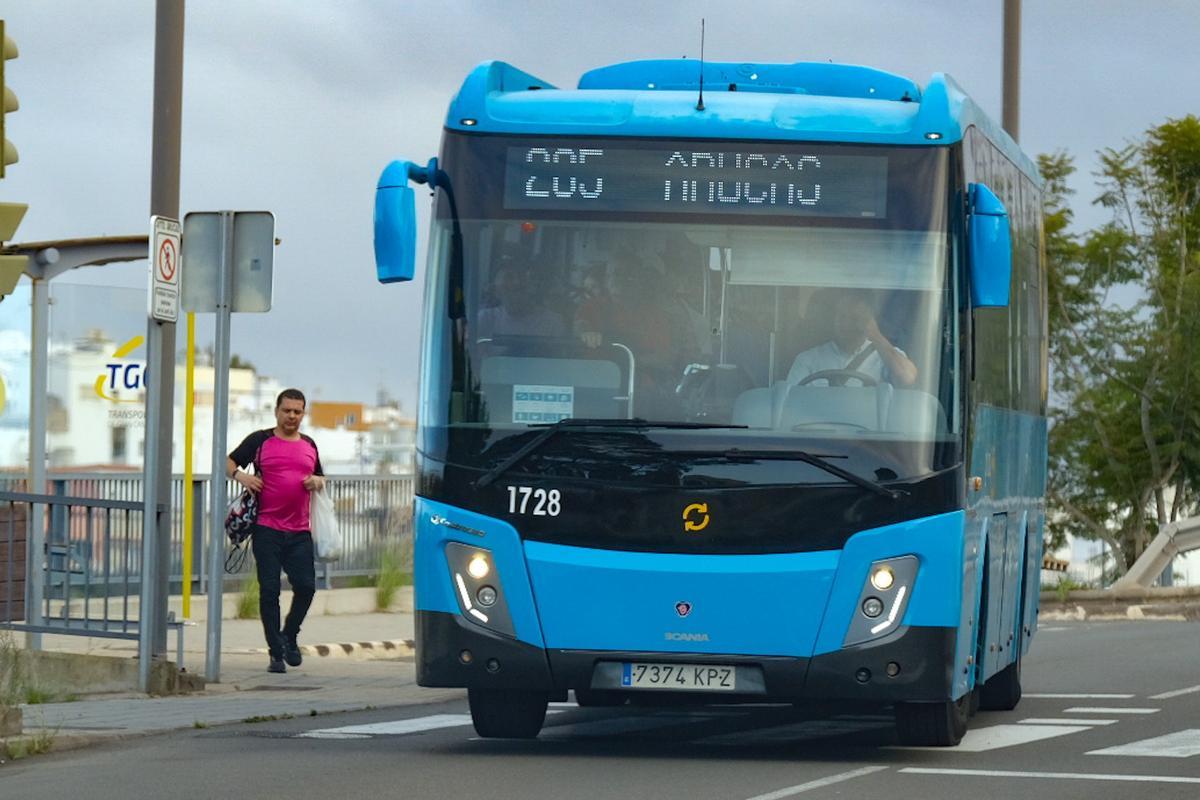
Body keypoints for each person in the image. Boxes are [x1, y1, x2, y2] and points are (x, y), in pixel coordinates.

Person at [227, 388, 325, 674]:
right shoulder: (260, 440)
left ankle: (290, 635)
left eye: (297, 411)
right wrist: (242, 476)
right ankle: (275, 653)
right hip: (266, 528)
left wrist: (317, 481)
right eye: (287, 410)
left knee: (306, 587)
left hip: (300, 531)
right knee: (269, 591)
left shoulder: (309, 444)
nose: (291, 416)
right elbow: (228, 461)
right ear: (276, 411)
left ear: (303, 414)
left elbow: (320, 475)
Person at [786, 291, 918, 387]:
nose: (847, 324)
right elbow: (791, 404)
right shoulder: (808, 360)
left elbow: (907, 377)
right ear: (833, 320)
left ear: (869, 321)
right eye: (842, 317)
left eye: (855, 318)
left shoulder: (884, 357)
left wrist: (875, 335)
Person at [476, 262, 567, 339]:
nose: (516, 283)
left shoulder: (552, 322)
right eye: (508, 277)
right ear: (495, 290)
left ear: (532, 287)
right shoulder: (485, 319)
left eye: (522, 276)